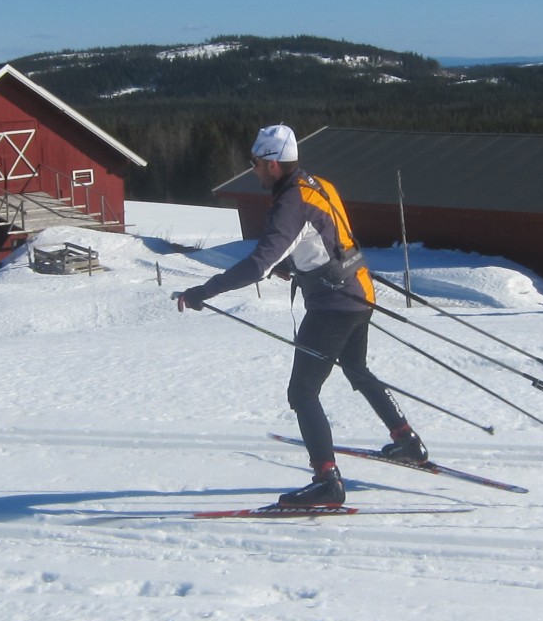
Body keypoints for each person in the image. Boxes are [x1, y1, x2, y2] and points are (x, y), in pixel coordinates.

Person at [175, 124, 425, 508]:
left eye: (256, 162)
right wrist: (294, 265)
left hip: (333, 306)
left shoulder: (291, 202)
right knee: (356, 369)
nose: (254, 169)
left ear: (272, 164)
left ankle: (327, 480)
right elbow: (322, 239)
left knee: (302, 391)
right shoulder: (316, 184)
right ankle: (406, 440)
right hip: (359, 292)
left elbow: (258, 264)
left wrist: (202, 292)